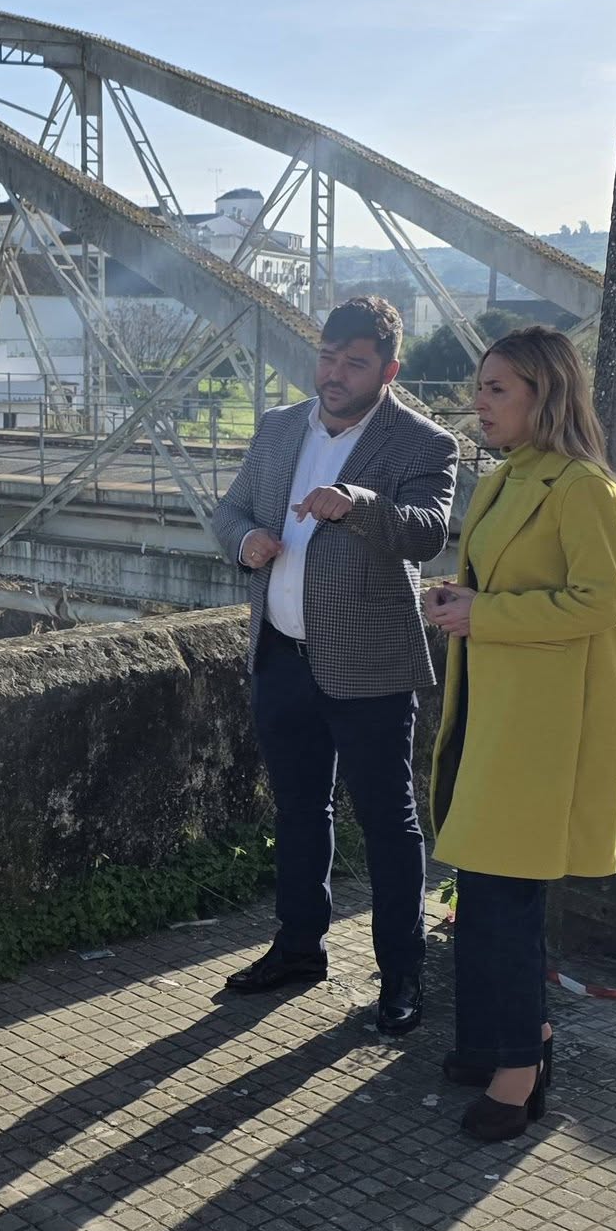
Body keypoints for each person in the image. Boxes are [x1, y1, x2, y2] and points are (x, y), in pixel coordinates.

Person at [210, 295, 460, 1034]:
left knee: (388, 822)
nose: (335, 374)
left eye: (355, 363)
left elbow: (426, 534)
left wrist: (357, 503)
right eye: (327, 357)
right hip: (281, 653)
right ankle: (298, 949)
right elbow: (229, 512)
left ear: (388, 370)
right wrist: (246, 542)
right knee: (298, 809)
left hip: (370, 664)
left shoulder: (424, 443)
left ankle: (402, 974)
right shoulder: (278, 427)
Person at [423, 325, 616, 1142]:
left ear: (544, 395)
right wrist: (460, 598)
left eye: (497, 389)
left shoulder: (583, 487)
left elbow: (600, 601)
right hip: (492, 710)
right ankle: (497, 1040)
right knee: (480, 896)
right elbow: (504, 582)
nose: (479, 401)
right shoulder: (507, 476)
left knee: (506, 902)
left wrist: (486, 614)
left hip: (542, 728)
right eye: (481, 386)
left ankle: (520, 1071)